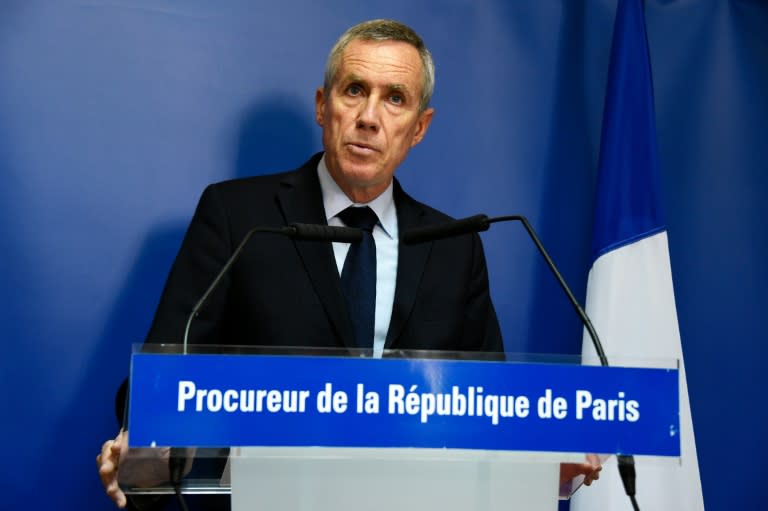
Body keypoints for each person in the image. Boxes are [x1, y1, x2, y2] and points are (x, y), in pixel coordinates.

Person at [97, 18, 598, 509]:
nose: (369, 117)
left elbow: (488, 405)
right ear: (323, 106)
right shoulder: (240, 217)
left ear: (419, 127)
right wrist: (142, 442)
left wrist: (539, 462)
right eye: (354, 90)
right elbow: (169, 365)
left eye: (395, 98)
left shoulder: (453, 245)